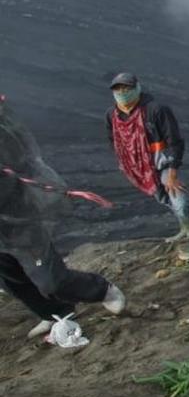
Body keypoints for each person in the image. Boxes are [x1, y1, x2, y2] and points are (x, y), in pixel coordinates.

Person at [3, 96, 126, 339]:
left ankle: (102, 290)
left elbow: (18, 164)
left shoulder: (3, 135)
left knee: (51, 281)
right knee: (10, 279)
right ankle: (53, 313)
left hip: (17, 219)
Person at [105, 72, 189, 241]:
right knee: (162, 197)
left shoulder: (155, 109)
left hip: (161, 160)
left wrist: (172, 171)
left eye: (126, 88)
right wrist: (124, 161)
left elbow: (175, 140)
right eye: (118, 89)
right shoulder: (112, 115)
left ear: (137, 88)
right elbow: (113, 140)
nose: (122, 93)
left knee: (173, 190)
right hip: (138, 165)